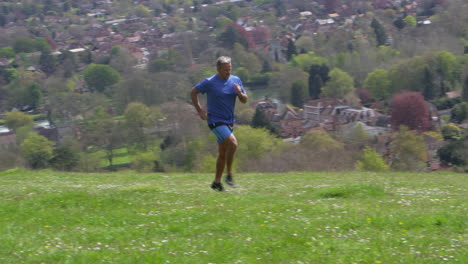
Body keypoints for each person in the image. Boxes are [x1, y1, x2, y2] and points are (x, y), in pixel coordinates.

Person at [191, 56, 248, 191]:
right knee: (233, 143)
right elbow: (193, 92)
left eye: (229, 70)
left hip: (229, 121)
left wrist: (239, 93)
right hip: (215, 121)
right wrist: (199, 110)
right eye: (225, 70)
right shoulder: (209, 82)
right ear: (218, 69)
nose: (228, 73)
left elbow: (244, 100)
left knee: (223, 152)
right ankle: (229, 174)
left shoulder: (236, 80)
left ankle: (216, 182)